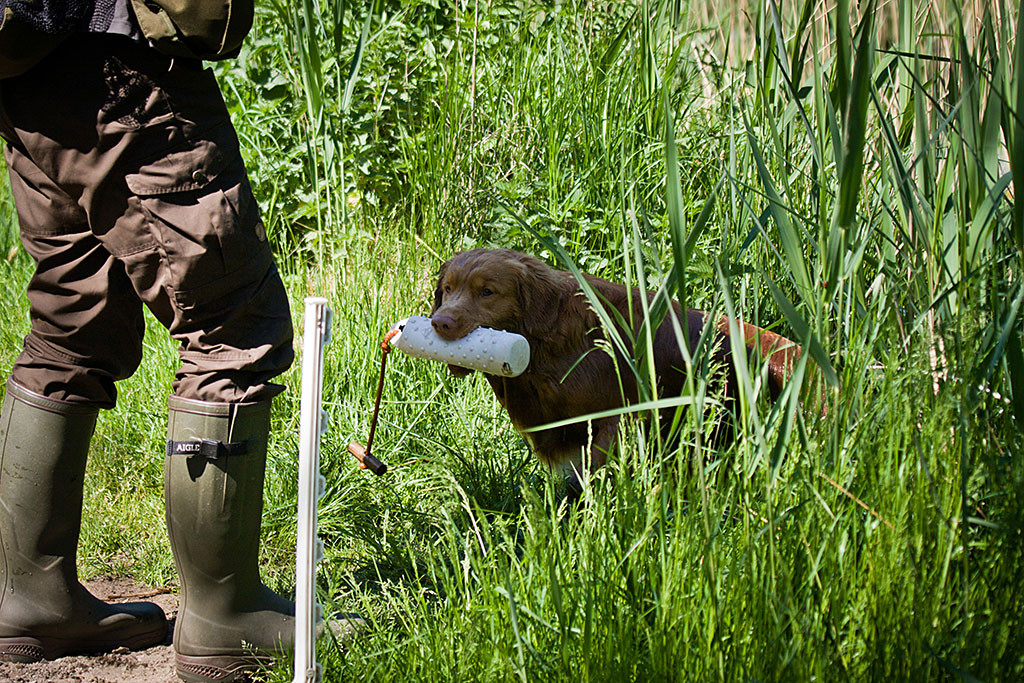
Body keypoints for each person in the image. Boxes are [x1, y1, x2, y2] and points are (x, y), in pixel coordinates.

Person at [0, 1, 319, 680]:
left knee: (72, 319)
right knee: (232, 323)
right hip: (112, 53)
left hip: (25, 57)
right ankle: (227, 616)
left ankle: (30, 596)